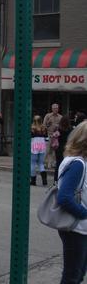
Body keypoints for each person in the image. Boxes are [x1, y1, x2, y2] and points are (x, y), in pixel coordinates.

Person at [56, 121, 87, 284]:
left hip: (79, 228)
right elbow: (64, 197)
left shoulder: (78, 161)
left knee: (77, 273)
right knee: (72, 276)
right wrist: (84, 213)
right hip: (76, 228)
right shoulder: (78, 164)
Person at [44, 103, 63, 169]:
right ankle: (46, 163)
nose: (56, 109)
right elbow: (44, 126)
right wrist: (48, 124)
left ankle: (53, 164)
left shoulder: (60, 117)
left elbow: (62, 127)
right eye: (54, 108)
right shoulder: (48, 116)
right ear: (52, 109)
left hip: (57, 137)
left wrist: (58, 127)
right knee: (48, 150)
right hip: (49, 135)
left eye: (57, 108)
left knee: (55, 151)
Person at [54, 116, 73, 182]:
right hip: (67, 148)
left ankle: (56, 180)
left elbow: (55, 137)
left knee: (58, 164)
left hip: (59, 148)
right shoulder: (71, 129)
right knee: (67, 164)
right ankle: (64, 179)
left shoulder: (58, 129)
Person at [31, 115, 48, 186]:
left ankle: (33, 181)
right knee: (41, 163)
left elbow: (29, 137)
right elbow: (47, 138)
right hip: (42, 144)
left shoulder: (32, 128)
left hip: (34, 144)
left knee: (33, 163)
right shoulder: (44, 128)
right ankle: (44, 181)